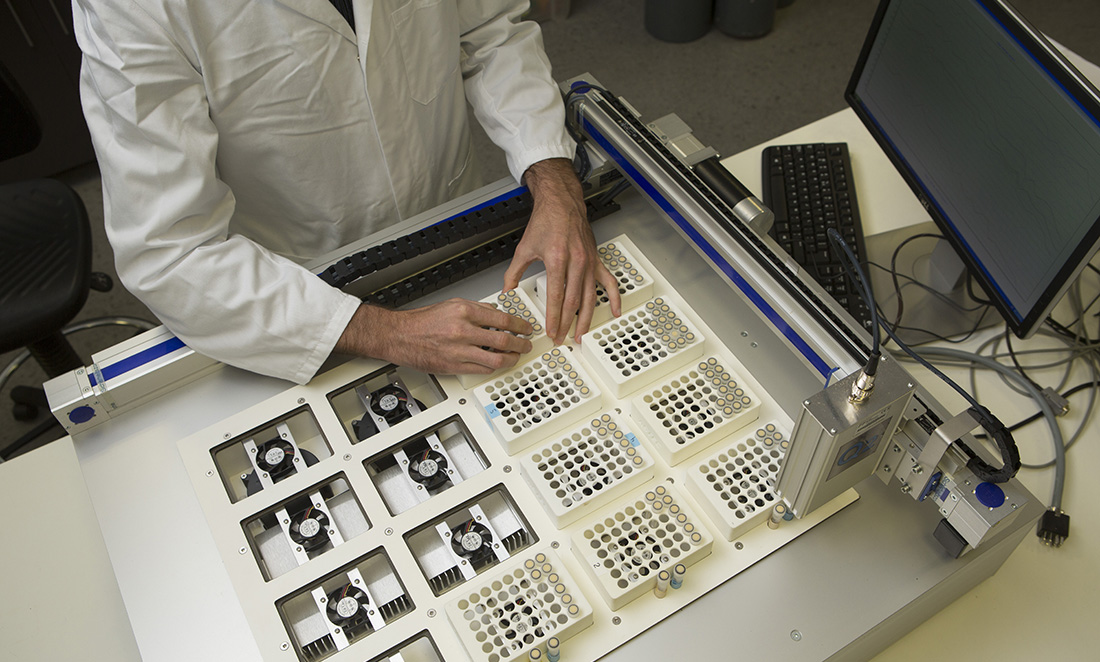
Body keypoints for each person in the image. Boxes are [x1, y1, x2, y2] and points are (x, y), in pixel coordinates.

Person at [72, 0, 621, 384]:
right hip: (297, 289)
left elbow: (490, 31)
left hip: (461, 224)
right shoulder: (130, 7)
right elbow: (171, 250)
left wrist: (553, 179)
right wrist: (383, 331)